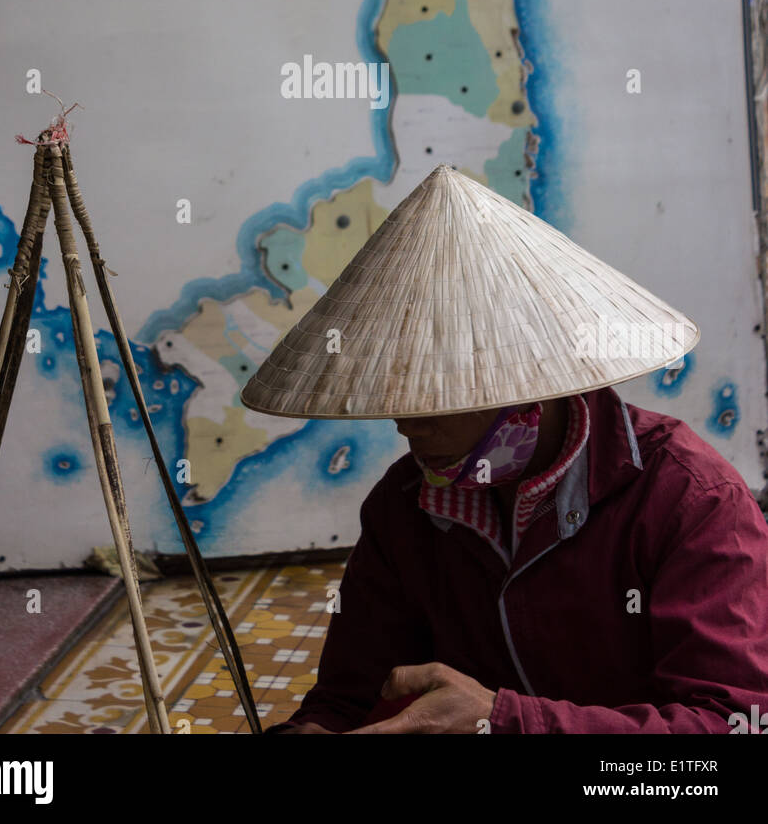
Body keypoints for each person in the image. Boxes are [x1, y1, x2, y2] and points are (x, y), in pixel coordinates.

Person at [242, 165, 768, 735]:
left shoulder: (693, 500)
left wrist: (505, 720)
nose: (405, 425)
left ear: (527, 393)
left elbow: (731, 728)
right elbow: (350, 694)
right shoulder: (404, 506)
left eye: (436, 398)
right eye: (396, 394)